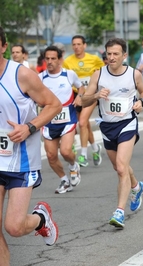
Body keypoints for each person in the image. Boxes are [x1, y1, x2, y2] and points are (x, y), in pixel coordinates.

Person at [0, 26, 62, 265]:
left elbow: (53, 104)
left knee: (14, 227)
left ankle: (41, 219)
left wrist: (29, 127)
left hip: (21, 160)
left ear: (4, 47)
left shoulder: (21, 75)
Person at [81, 37, 143, 229]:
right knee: (119, 167)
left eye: (116, 54)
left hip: (127, 123)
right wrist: (95, 95)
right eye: (109, 53)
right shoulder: (98, 75)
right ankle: (137, 186)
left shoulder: (133, 74)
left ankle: (119, 212)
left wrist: (140, 102)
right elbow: (83, 101)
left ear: (124, 55)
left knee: (120, 167)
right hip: (107, 127)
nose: (111, 57)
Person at [39, 46, 84, 194]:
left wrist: (79, 96)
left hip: (67, 119)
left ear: (59, 60)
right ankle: (64, 180)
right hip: (49, 121)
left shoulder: (69, 74)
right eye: (48, 59)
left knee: (65, 151)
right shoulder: (40, 78)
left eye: (53, 58)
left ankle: (73, 166)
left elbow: (81, 87)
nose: (50, 61)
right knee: (51, 155)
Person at [63, 35, 104, 167]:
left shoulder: (94, 59)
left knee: (82, 122)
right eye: (74, 44)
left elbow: (103, 73)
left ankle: (83, 155)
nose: (76, 47)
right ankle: (95, 148)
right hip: (76, 96)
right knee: (84, 124)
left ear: (84, 45)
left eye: (79, 44)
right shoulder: (67, 61)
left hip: (91, 96)